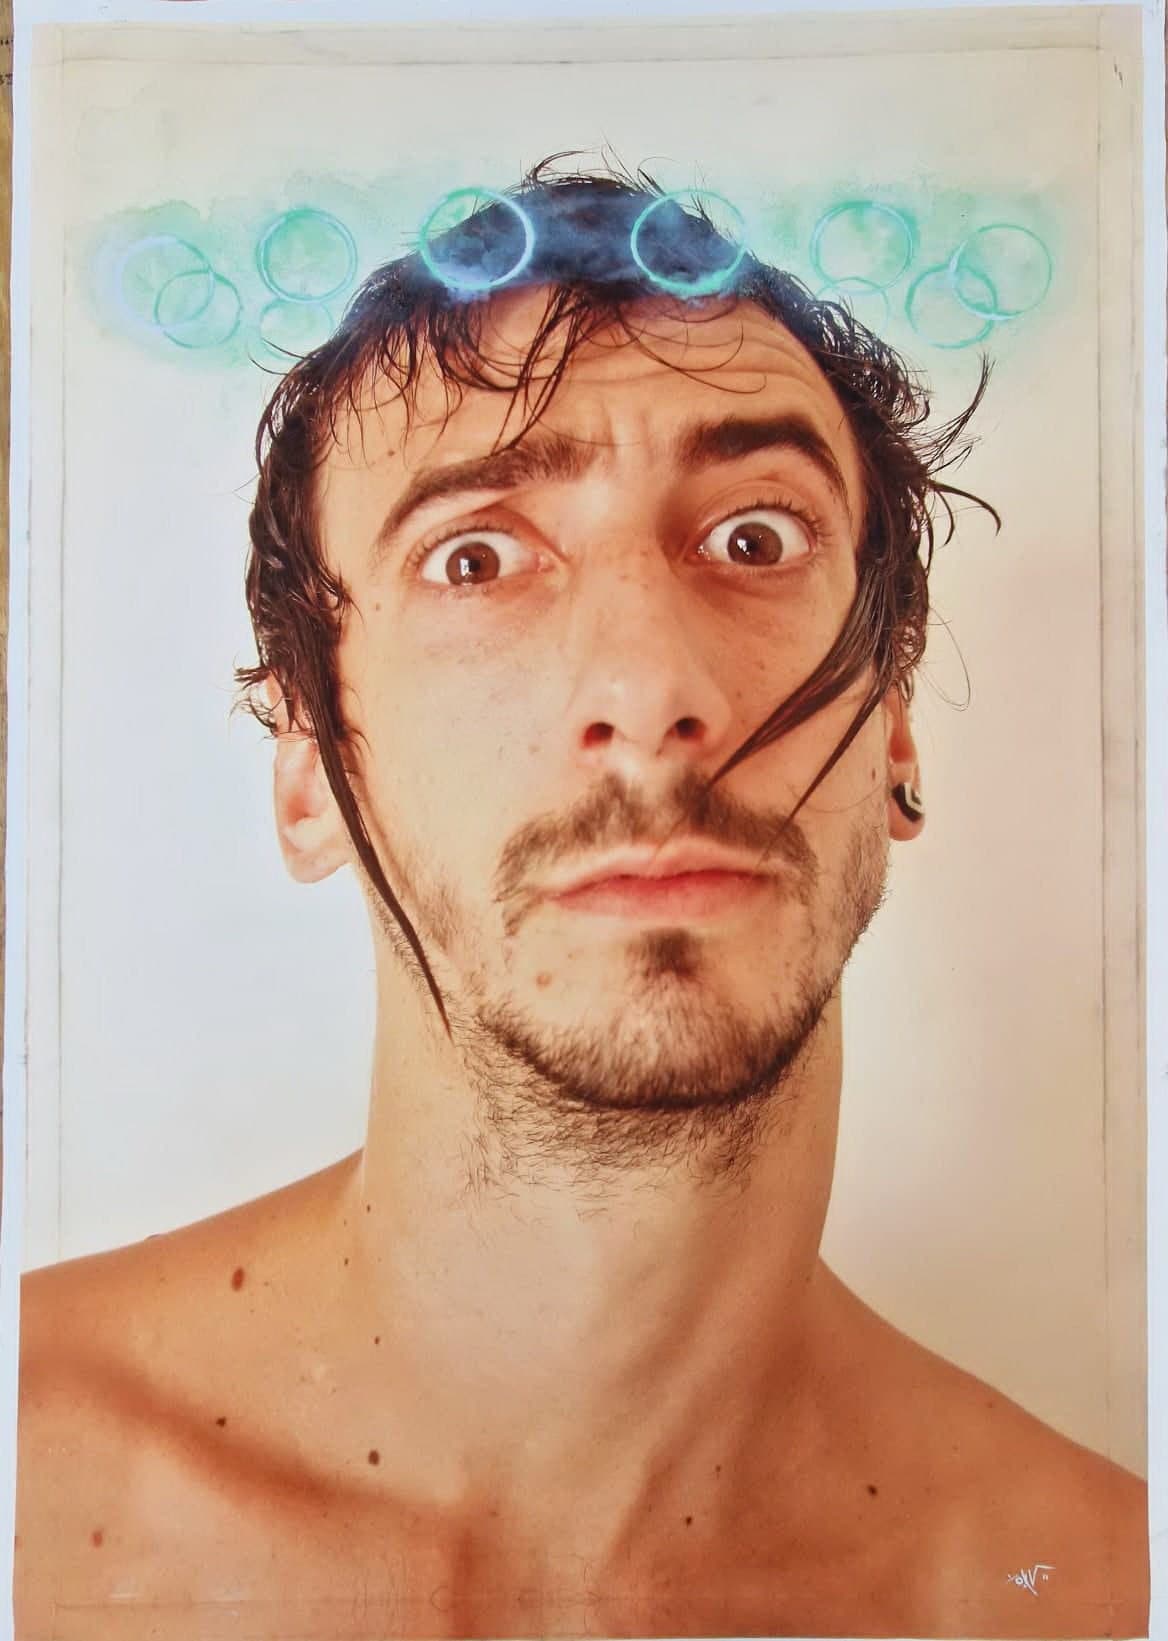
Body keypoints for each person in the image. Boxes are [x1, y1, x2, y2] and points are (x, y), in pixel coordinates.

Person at [15, 162, 1148, 1640]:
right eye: (477, 558)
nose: (653, 687)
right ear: (309, 773)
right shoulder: (30, 1483)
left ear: (896, 736)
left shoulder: (1100, 1591)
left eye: (756, 537)